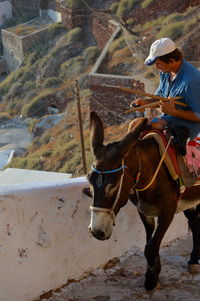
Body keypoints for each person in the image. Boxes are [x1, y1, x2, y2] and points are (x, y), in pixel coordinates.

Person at [129, 37, 200, 155]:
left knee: (152, 129)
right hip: (168, 118)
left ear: (172, 60)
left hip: (187, 126)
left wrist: (175, 112)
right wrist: (145, 103)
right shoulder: (166, 72)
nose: (156, 67)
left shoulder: (191, 81)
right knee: (135, 125)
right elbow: (160, 98)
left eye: (158, 64)